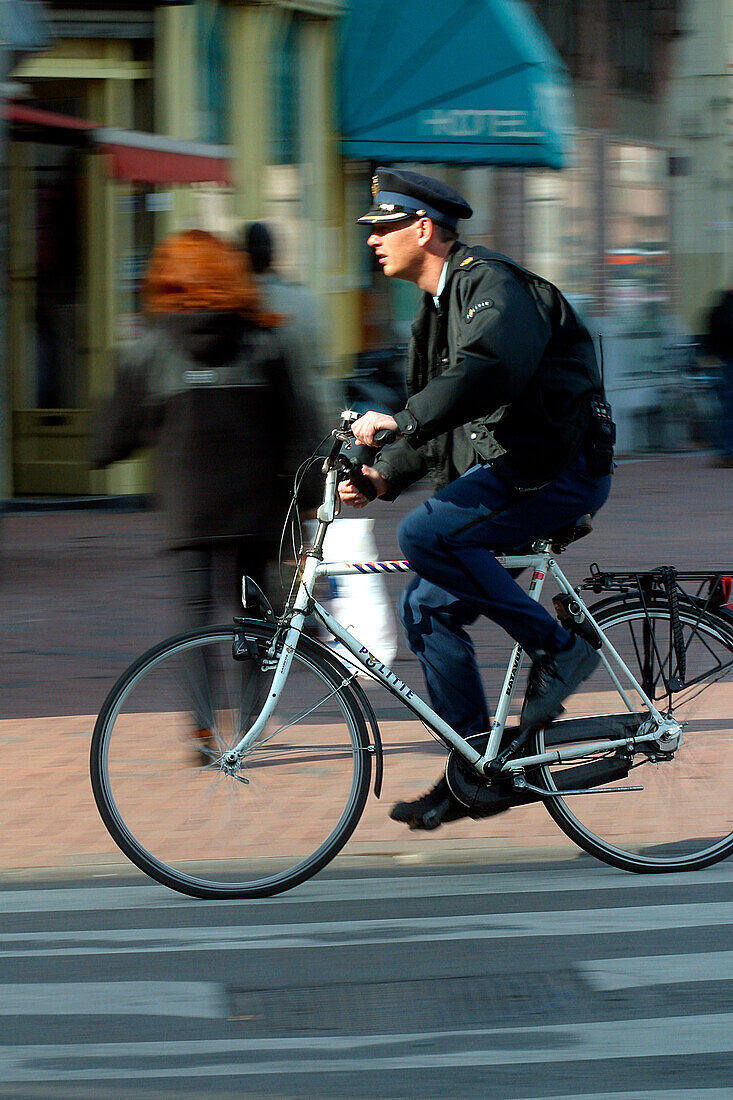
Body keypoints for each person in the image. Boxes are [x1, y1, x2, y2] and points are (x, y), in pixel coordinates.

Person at [338, 168, 614, 830]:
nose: (372, 241)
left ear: (422, 229)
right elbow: (440, 423)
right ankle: (475, 772)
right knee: (426, 607)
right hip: (514, 473)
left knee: (424, 537)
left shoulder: (491, 286)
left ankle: (559, 647)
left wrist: (398, 423)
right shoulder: (431, 320)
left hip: (555, 469)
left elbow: (489, 368)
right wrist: (380, 476)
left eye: (382, 228)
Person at [94, 228, 317, 636]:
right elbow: (298, 427)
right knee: (256, 620)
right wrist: (310, 498)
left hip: (190, 510)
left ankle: (200, 704)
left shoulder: (154, 346)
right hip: (259, 509)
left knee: (193, 621)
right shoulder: (265, 341)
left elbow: (109, 441)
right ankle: (255, 704)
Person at [705, 283, 733, 466]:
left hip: (725, 360)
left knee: (726, 408)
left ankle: (725, 451)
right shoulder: (726, 304)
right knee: (728, 409)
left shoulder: (723, 303)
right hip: (728, 361)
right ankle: (726, 452)